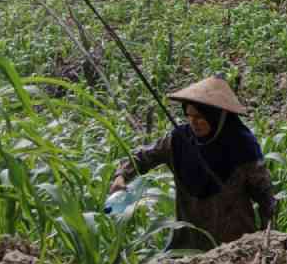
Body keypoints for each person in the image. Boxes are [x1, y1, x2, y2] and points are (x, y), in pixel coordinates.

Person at [110, 76, 275, 251]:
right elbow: (143, 156)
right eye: (189, 115)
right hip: (188, 239)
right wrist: (122, 175)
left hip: (233, 243)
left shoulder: (242, 145)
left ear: (217, 116)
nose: (193, 122)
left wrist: (266, 238)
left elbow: (265, 195)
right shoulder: (179, 140)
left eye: (200, 117)